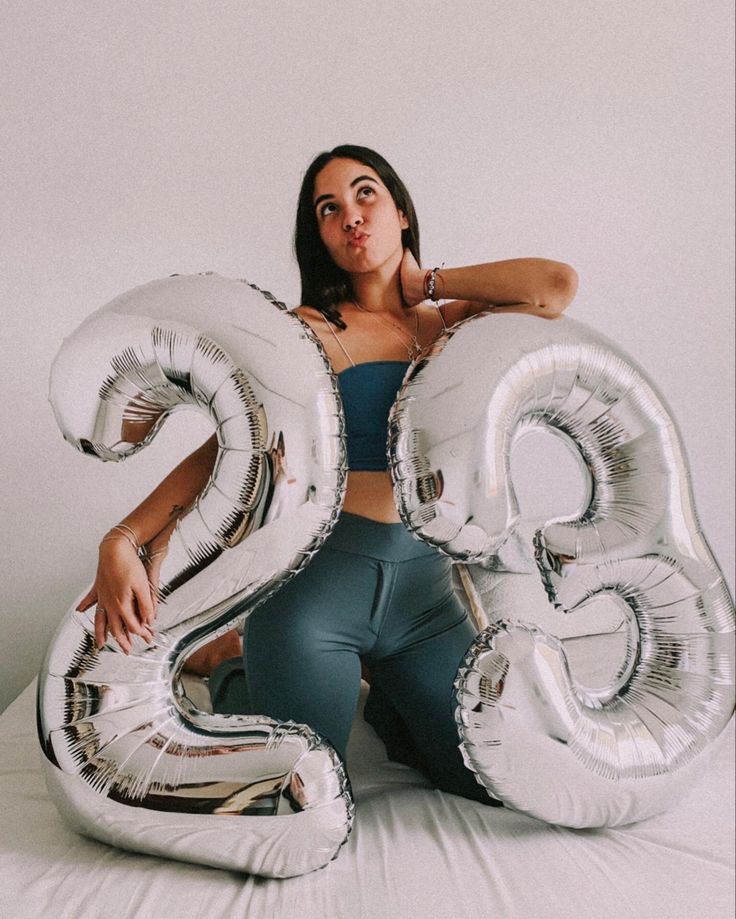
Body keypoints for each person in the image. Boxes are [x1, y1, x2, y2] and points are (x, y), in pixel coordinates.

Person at [77, 144, 578, 805]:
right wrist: (122, 538)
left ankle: (390, 705)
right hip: (317, 602)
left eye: (366, 194)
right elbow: (227, 451)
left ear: (400, 209)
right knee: (306, 792)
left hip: (425, 602)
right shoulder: (301, 334)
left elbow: (554, 287)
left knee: (490, 781)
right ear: (318, 237)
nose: (352, 215)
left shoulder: (450, 326)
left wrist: (427, 283)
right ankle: (226, 661)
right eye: (329, 208)